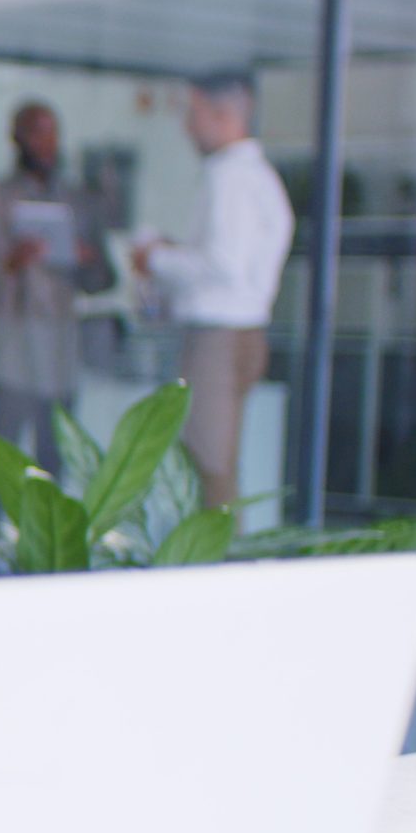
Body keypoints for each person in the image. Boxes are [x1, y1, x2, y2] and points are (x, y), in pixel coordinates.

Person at [133, 71, 295, 510]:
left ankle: (216, 570)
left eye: (194, 113)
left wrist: (156, 260)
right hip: (237, 334)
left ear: (224, 116)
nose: (187, 126)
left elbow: (223, 264)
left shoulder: (231, 178)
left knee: (209, 469)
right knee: (216, 464)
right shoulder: (256, 176)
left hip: (217, 339)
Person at [0, 100, 112, 515]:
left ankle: (46, 558)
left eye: (52, 132)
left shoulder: (77, 202)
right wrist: (9, 261)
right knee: (1, 456)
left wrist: (86, 258)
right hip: (7, 349)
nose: (46, 143)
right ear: (16, 138)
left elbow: (103, 281)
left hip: (59, 350)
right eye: (36, 132)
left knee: (54, 457)